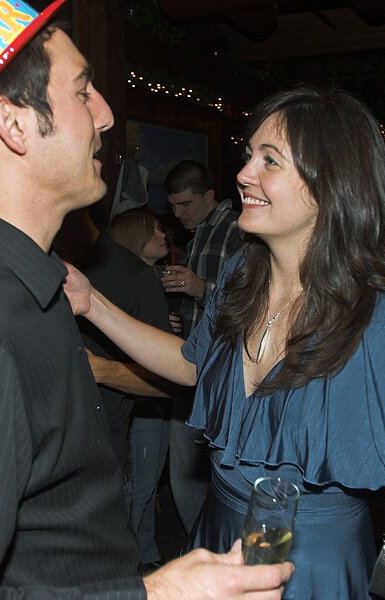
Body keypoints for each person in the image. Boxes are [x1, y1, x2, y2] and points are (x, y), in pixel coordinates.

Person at [0, 1, 292, 598]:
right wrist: (155, 594)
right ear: (13, 124)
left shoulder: (25, 279)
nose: (105, 114)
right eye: (81, 91)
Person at [65, 86, 385, 598]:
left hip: (313, 563)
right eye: (249, 155)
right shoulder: (241, 273)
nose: (244, 173)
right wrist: (91, 303)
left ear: (330, 183)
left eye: (269, 160)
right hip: (218, 536)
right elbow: (191, 365)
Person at [79, 208, 176, 572]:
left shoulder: (134, 276)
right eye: (154, 229)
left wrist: (104, 371)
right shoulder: (49, 267)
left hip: (104, 441)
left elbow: (173, 379)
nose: (163, 236)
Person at [161, 159, 242, 533]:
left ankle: (211, 547)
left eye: (185, 204)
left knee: (216, 476)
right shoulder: (197, 237)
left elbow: (253, 303)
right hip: (191, 366)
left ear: (209, 196)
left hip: (223, 373)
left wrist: (201, 289)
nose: (177, 214)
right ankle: (201, 546)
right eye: (172, 205)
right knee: (185, 473)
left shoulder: (236, 230)